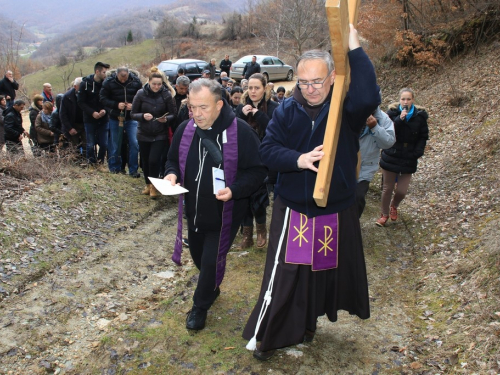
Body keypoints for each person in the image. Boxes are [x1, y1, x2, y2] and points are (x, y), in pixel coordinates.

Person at [242, 25, 381, 360]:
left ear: (332, 78)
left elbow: (368, 97)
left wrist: (353, 47)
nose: (310, 89)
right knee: (288, 272)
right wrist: (298, 159)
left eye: (317, 81)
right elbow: (268, 152)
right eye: (303, 82)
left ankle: (308, 323)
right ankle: (270, 334)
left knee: (322, 270)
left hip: (335, 208)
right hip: (295, 209)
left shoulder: (345, 109)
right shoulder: (286, 110)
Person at [164, 78, 266, 331]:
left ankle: (200, 306)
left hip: (225, 215)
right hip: (195, 212)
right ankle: (212, 286)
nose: (196, 114)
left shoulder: (241, 132)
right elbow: (172, 161)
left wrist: (234, 190)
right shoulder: (185, 130)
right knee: (200, 258)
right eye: (192, 107)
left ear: (219, 105)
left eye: (203, 107)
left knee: (210, 262)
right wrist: (171, 175)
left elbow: (259, 170)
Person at [235, 73, 279, 249]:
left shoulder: (274, 107)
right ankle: (247, 236)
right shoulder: (240, 107)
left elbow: (276, 131)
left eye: (257, 88)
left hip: (263, 160)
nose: (253, 91)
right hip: (243, 158)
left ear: (264, 88)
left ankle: (261, 232)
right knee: (244, 196)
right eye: (250, 88)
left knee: (259, 198)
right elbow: (233, 130)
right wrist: (241, 115)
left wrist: (258, 115)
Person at [376, 88, 429, 226]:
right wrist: (399, 119)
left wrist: (417, 152)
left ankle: (394, 206)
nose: (405, 101)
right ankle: (384, 215)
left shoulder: (420, 117)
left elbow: (423, 136)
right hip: (392, 154)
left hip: (409, 156)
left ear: (413, 100)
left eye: (408, 99)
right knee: (387, 188)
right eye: (403, 99)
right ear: (399, 100)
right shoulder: (391, 114)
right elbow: (387, 131)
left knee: (402, 191)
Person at [131, 67, 177, 198]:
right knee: (145, 160)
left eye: (159, 84)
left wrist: (165, 119)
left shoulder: (166, 95)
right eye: (154, 84)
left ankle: (154, 186)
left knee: (154, 160)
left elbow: (174, 114)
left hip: (159, 133)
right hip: (143, 132)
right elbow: (133, 113)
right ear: (149, 82)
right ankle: (148, 185)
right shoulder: (140, 94)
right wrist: (142, 116)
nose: (156, 87)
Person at [100, 67, 142, 176]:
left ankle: (133, 170)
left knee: (134, 143)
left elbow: (141, 98)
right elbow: (103, 98)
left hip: (131, 118)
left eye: (125, 78)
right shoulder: (109, 82)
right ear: (117, 75)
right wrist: (116, 105)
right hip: (115, 117)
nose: (123, 81)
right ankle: (115, 168)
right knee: (115, 143)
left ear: (128, 74)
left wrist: (134, 106)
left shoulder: (136, 82)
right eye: (121, 78)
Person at [356, 107, 395, 217]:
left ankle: (352, 225)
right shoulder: (347, 111)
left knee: (358, 197)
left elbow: (388, 142)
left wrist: (375, 127)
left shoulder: (383, 118)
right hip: (343, 164)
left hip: (365, 167)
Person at [78, 62, 110, 168]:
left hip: (104, 118)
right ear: (97, 71)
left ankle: (100, 162)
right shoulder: (85, 84)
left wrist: (105, 110)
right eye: (104, 72)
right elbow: (81, 102)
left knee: (104, 144)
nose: (106, 74)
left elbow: (109, 100)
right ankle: (91, 163)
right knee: (90, 144)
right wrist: (92, 112)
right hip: (89, 118)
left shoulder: (106, 84)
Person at [60, 77, 86, 156]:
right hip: (73, 124)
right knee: (75, 146)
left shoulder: (87, 94)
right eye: (81, 86)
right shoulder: (67, 97)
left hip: (85, 124)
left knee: (87, 144)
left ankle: (89, 162)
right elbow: (62, 114)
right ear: (75, 87)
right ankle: (77, 163)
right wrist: (69, 128)